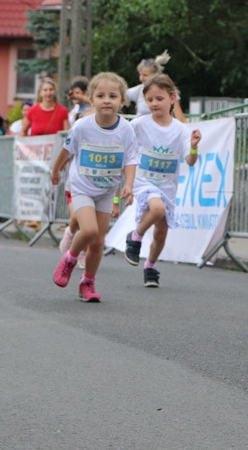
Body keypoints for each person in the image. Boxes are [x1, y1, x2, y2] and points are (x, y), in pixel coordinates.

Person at [50, 72, 139, 303]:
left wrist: (128, 184)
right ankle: (69, 259)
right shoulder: (82, 126)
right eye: (100, 95)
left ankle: (87, 283)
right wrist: (56, 170)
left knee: (98, 242)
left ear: (122, 101)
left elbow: (130, 159)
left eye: (113, 95)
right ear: (91, 99)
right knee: (88, 231)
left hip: (107, 191)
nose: (106, 100)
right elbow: (66, 151)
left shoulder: (126, 129)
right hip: (83, 188)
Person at [123, 74, 201, 288]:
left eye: (159, 98)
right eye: (149, 100)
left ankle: (150, 266)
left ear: (172, 98)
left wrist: (194, 146)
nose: (154, 104)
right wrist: (127, 181)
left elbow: (190, 160)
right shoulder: (139, 124)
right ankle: (135, 236)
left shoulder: (180, 130)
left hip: (166, 184)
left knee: (162, 229)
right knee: (157, 209)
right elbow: (125, 146)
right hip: (143, 180)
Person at [126, 51, 187, 121]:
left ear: (155, 75)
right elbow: (120, 94)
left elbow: (180, 117)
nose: (141, 78)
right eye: (140, 74)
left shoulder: (169, 91)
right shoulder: (139, 90)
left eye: (145, 75)